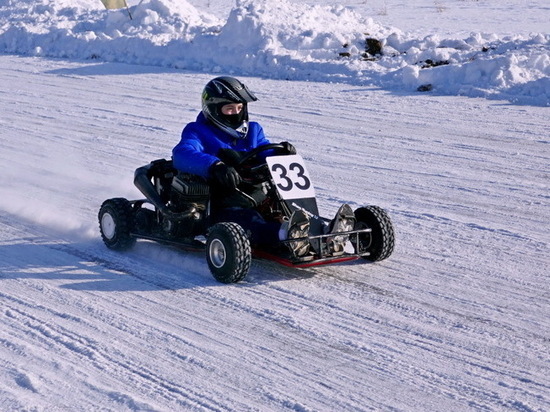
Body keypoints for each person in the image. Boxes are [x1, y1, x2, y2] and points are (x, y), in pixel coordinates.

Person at [172, 76, 354, 257]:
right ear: (213, 109)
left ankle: (324, 231)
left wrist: (279, 153)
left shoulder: (253, 130)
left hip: (256, 192)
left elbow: (263, 151)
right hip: (224, 199)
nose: (236, 113)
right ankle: (286, 235)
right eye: (229, 109)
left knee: (287, 206)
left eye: (240, 108)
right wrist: (214, 165)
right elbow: (182, 153)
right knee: (248, 220)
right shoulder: (197, 131)